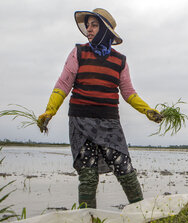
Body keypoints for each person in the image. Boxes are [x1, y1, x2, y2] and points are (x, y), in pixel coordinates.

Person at [37, 8, 163, 208]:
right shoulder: (78, 52)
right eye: (87, 25)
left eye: (94, 25)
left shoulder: (120, 61)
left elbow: (129, 92)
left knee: (125, 169)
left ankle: (142, 217)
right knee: (88, 175)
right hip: (80, 121)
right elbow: (63, 84)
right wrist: (49, 111)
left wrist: (147, 110)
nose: (89, 29)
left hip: (109, 123)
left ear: (106, 31)